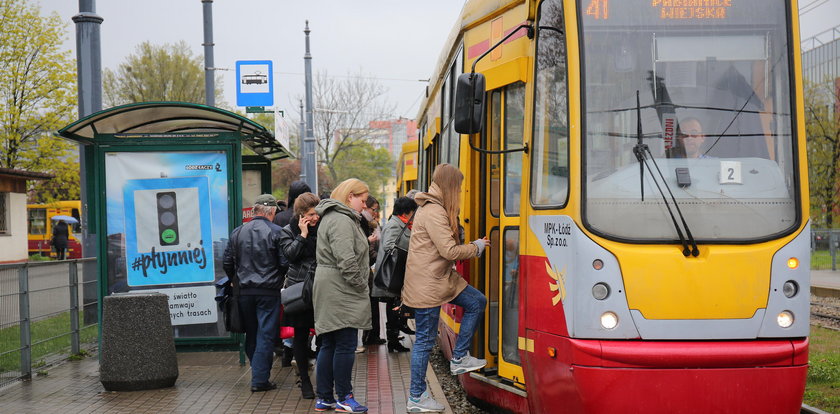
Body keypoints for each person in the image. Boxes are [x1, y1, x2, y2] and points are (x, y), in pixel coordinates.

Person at [402, 164, 489, 413]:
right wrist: (476, 246)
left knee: (476, 301)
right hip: (428, 284)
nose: (460, 191)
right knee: (424, 342)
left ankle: (459, 357)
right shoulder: (434, 211)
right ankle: (417, 397)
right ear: (451, 185)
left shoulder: (433, 208)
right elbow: (449, 251)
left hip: (436, 278)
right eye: (459, 186)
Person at [312, 178, 372, 413]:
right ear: (350, 197)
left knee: (328, 343)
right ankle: (344, 397)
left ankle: (325, 397)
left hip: (331, 285)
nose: (364, 206)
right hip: (341, 287)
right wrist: (360, 285)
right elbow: (346, 259)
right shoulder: (341, 220)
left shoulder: (332, 217)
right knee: (345, 344)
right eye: (363, 200)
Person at [222, 194, 285, 393]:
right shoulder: (277, 232)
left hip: (244, 292)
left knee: (251, 334)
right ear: (272, 211)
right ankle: (259, 379)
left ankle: (258, 371)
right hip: (269, 291)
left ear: (254, 211)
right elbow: (284, 262)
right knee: (266, 335)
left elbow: (227, 262)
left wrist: (235, 279)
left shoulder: (237, 232)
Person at [278, 192, 320, 400]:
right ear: (301, 215)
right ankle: (304, 380)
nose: (315, 218)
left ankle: (323, 378)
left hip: (321, 289)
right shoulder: (288, 231)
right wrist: (302, 236)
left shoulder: (323, 229)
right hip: (300, 290)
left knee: (324, 335)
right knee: (301, 338)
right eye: (311, 214)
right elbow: (290, 256)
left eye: (316, 214)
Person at [372, 196, 418, 353]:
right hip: (391, 275)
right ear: (405, 212)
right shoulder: (394, 225)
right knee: (393, 308)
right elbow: (389, 246)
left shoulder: (402, 224)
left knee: (394, 306)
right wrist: (408, 254)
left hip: (396, 274)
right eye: (413, 211)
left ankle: (394, 337)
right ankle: (392, 341)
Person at [360, 196, 384, 348]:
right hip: (366, 268)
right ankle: (369, 336)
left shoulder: (370, 223)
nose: (375, 213)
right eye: (373, 209)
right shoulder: (363, 223)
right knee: (370, 303)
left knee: (373, 302)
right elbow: (366, 250)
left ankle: (372, 335)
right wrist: (380, 258)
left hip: (369, 266)